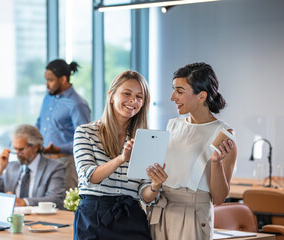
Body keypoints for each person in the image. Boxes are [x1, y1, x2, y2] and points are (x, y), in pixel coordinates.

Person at [140, 62, 237, 240]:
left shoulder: (222, 133)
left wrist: (216, 162)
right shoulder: (173, 125)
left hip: (192, 214)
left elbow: (219, 198)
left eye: (180, 91)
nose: (172, 97)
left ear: (201, 96)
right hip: (161, 211)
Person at [73, 71, 159, 239]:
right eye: (127, 93)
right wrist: (121, 159)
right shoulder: (86, 132)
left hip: (131, 218)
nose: (133, 101)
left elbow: (145, 194)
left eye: (139, 97)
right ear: (111, 95)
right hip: (94, 218)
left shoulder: (144, 139)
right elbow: (89, 176)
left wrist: (156, 184)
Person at [36, 59, 91, 191]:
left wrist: (58, 149)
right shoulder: (48, 97)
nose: (47, 84)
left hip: (65, 162)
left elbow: (85, 141)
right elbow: (40, 122)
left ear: (63, 79)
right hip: (44, 161)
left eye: (50, 80)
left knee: (63, 205)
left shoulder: (77, 104)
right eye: (46, 79)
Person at [0, 124, 66, 209]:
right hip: (13, 217)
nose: (17, 154)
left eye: (21, 149)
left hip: (40, 218)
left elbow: (56, 199)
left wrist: (24, 202)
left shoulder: (55, 167)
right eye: (15, 149)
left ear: (35, 147)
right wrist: (0, 170)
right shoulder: (11, 167)